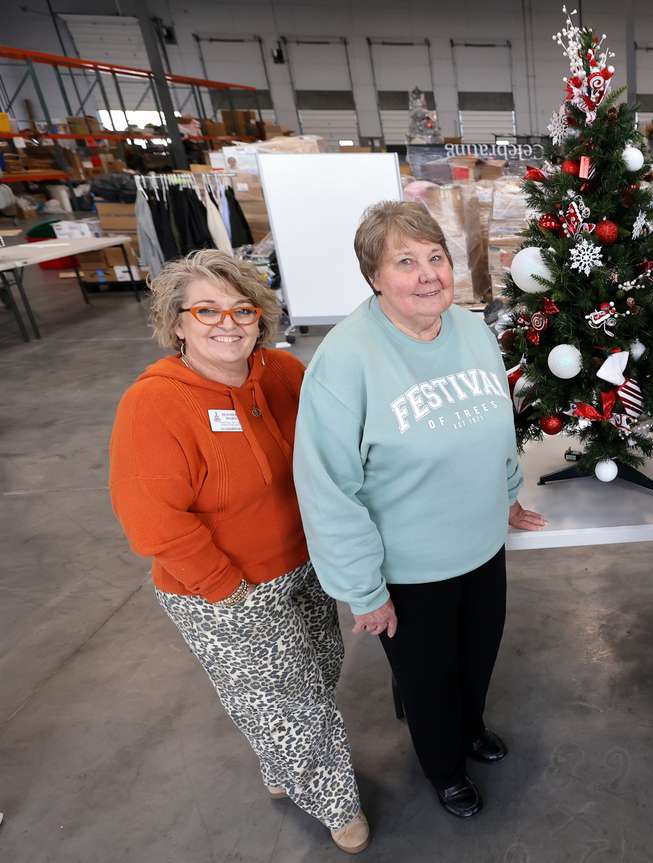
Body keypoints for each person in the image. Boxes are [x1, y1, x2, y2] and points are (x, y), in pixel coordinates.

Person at [108, 250, 368, 854]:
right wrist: (228, 591)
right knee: (293, 703)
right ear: (177, 322)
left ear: (260, 317)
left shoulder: (281, 373)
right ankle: (338, 805)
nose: (227, 323)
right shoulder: (154, 404)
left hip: (303, 564)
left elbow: (331, 451)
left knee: (319, 672)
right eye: (206, 311)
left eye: (241, 309)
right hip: (222, 589)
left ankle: (283, 767)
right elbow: (153, 521)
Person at [294, 201, 546, 820]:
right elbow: (328, 487)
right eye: (405, 262)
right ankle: (444, 766)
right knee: (428, 682)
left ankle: (471, 728)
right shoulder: (345, 360)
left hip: (481, 546)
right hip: (407, 569)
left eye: (436, 257)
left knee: (478, 654)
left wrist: (508, 492)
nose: (427, 273)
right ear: (374, 276)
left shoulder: (470, 329)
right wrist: (363, 589)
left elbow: (496, 426)